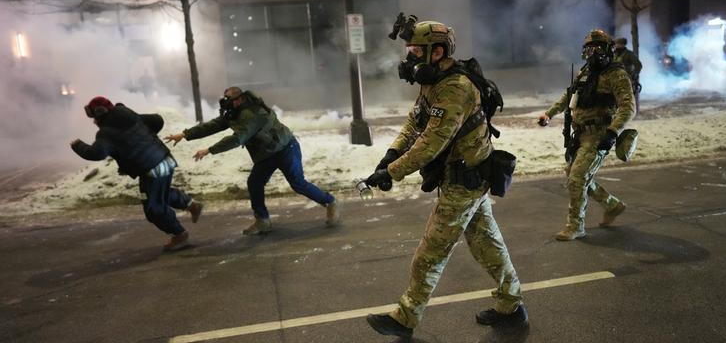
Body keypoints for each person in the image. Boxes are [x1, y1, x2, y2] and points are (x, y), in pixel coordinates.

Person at [364, 18, 527, 339]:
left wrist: (392, 173)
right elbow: (415, 123)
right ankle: (511, 306)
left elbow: (431, 142)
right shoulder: (434, 82)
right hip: (464, 178)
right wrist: (391, 154)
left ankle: (405, 317)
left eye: (414, 51)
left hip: (463, 181)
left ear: (436, 52)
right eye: (408, 50)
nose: (409, 58)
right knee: (487, 244)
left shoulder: (456, 88)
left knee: (430, 254)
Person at [165, 87, 338, 234]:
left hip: (286, 149)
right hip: (266, 155)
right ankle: (262, 221)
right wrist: (185, 134)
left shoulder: (251, 114)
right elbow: (213, 125)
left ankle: (330, 202)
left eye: (228, 98)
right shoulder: (235, 112)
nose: (225, 102)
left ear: (239, 99)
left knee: (298, 184)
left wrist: (209, 150)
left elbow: (237, 139)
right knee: (254, 183)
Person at [538, 29, 636, 241]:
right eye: (589, 49)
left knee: (577, 177)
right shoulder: (585, 73)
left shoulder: (616, 74)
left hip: (599, 135)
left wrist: (612, 132)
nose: (592, 53)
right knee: (574, 174)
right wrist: (549, 114)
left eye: (597, 48)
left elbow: (628, 107)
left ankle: (575, 226)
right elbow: (568, 96)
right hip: (579, 135)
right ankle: (612, 205)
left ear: (607, 50)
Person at [70, 96, 203, 251]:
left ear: (99, 115)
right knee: (160, 193)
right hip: (165, 159)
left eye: (93, 118)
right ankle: (191, 205)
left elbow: (97, 153)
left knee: (153, 209)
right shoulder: (129, 115)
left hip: (151, 169)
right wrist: (146, 136)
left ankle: (179, 235)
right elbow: (157, 121)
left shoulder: (106, 133)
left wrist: (78, 146)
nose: (93, 122)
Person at [613, 37, 642, 113]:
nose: (616, 46)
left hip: (626, 79)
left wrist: (634, 74)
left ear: (623, 45)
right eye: (616, 44)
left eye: (618, 44)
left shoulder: (629, 54)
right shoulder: (614, 54)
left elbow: (638, 65)